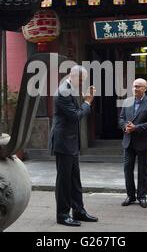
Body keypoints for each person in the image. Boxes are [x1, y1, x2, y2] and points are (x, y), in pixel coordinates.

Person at [49, 65, 98, 227]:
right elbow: (75, 116)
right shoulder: (63, 91)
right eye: (81, 80)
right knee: (64, 180)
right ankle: (62, 215)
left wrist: (84, 100)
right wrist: (87, 102)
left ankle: (78, 210)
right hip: (63, 142)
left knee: (75, 179)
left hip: (70, 141)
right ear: (72, 75)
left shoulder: (71, 89)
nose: (82, 83)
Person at [119, 78, 147, 208]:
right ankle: (130, 196)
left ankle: (142, 196)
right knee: (127, 169)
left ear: (145, 88)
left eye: (139, 86)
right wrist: (125, 127)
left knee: (143, 170)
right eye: (134, 86)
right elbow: (121, 118)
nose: (135, 89)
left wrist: (136, 127)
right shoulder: (127, 101)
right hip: (128, 141)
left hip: (143, 141)